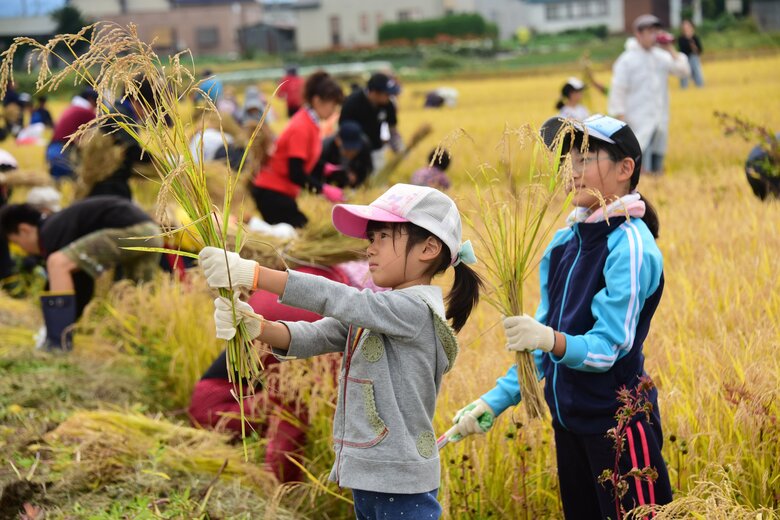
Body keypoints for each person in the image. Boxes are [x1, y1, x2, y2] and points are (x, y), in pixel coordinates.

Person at [198, 183, 483, 519]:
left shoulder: (415, 311)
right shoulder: (382, 311)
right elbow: (318, 334)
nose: (370, 250)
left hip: (400, 480)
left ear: (428, 248)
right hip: (371, 473)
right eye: (370, 239)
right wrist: (256, 328)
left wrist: (254, 274)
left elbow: (339, 299)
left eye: (383, 237)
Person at [446, 115, 672, 519]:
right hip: (568, 424)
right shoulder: (565, 242)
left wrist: (549, 339)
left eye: (586, 158)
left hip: (618, 426)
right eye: (570, 159)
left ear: (625, 169)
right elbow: (540, 347)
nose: (573, 169)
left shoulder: (631, 247)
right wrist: (493, 402)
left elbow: (607, 348)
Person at [189, 262, 380, 482]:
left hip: (273, 296)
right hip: (312, 307)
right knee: (296, 403)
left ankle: (277, 478)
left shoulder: (345, 263)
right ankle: (280, 484)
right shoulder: (389, 286)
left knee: (291, 397)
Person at [0, 196, 162, 350]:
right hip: (152, 232)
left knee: (57, 263)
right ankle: (140, 344)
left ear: (25, 229)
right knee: (137, 292)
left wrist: (56, 323)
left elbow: (68, 277)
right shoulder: (58, 223)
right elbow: (81, 282)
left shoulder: (51, 231)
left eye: (16, 242)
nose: (22, 249)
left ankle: (57, 342)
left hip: (133, 231)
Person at [251, 71, 346, 228]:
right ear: (317, 101)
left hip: (279, 192)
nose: (334, 110)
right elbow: (296, 171)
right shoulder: (302, 126)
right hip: (272, 193)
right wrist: (324, 189)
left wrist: (323, 167)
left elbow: (302, 158)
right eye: (333, 104)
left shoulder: (310, 122)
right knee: (300, 233)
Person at [608, 14, 690, 175]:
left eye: (656, 31)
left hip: (659, 120)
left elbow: (684, 71)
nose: (655, 35)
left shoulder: (660, 56)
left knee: (657, 165)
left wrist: (670, 49)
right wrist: (621, 122)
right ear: (638, 34)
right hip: (636, 122)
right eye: (650, 31)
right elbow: (617, 91)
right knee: (640, 166)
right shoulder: (626, 60)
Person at [339, 72, 402, 173]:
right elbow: (343, 132)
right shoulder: (352, 103)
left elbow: (392, 129)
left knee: (378, 181)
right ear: (374, 92)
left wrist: (399, 150)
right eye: (386, 94)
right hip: (355, 152)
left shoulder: (388, 105)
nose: (389, 97)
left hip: (376, 149)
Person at [46, 89, 98, 180]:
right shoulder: (86, 112)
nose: (96, 107)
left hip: (52, 150)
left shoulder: (72, 108)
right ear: (90, 100)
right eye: (97, 103)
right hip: (62, 152)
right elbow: (101, 128)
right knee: (81, 179)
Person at [313, 120, 373, 189]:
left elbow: (368, 169)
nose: (351, 153)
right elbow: (317, 174)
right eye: (348, 150)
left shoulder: (364, 146)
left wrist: (358, 178)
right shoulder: (325, 148)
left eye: (354, 150)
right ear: (338, 141)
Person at [677, 20, 704, 89]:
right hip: (684, 58)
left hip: (693, 57)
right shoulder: (681, 39)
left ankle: (700, 85)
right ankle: (684, 87)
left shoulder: (695, 38)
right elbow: (682, 50)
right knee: (684, 71)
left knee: (695, 64)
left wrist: (693, 44)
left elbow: (699, 50)